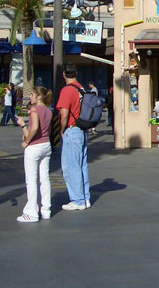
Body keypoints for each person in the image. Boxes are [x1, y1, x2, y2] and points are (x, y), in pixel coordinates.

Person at [56, 63, 91, 210]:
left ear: (64, 74)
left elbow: (64, 114)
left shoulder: (67, 90)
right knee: (82, 166)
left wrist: (61, 130)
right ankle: (85, 198)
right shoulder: (81, 89)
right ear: (76, 73)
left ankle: (77, 200)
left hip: (72, 129)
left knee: (71, 167)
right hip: (83, 129)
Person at [17, 86, 53, 223]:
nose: (30, 97)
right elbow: (45, 131)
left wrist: (25, 137)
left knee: (31, 180)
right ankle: (46, 209)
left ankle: (31, 212)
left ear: (39, 96)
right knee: (44, 178)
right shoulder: (48, 111)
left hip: (34, 148)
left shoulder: (34, 109)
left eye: (32, 94)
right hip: (45, 145)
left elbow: (34, 128)